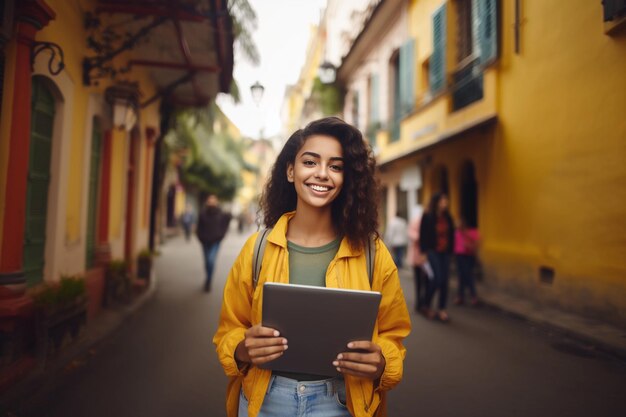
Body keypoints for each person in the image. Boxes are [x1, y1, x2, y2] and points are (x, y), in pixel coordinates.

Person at [213, 117, 411, 417]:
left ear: (347, 179)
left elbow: (393, 334)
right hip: (265, 400)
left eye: (336, 166)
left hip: (342, 402)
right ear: (291, 171)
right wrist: (242, 348)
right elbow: (229, 329)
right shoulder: (257, 249)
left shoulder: (372, 252)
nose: (322, 174)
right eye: (310, 162)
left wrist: (382, 361)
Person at [419, 192, 455, 323]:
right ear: (437, 202)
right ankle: (426, 305)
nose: (446, 203)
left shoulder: (448, 218)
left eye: (446, 201)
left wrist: (452, 252)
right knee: (436, 279)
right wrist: (423, 253)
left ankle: (442, 309)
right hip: (432, 251)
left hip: (445, 252)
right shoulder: (428, 216)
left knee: (445, 281)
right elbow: (422, 235)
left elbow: (452, 235)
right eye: (443, 201)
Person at [196, 194, 231, 292]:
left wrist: (222, 234)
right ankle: (208, 277)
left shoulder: (221, 213)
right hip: (205, 241)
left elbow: (227, 221)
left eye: (213, 200)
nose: (211, 202)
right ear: (207, 201)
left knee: (211, 260)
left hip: (215, 241)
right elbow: (199, 227)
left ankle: (209, 281)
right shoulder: (203, 213)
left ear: (216, 202)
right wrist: (200, 237)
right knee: (207, 262)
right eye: (210, 200)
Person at [454, 217, 480, 306]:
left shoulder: (472, 232)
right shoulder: (456, 233)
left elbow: (477, 242)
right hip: (459, 255)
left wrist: (466, 234)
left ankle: (473, 296)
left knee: (468, 276)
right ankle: (460, 296)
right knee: (461, 276)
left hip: (468, 255)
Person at [407, 206, 427, 313]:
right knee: (418, 280)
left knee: (426, 280)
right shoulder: (415, 222)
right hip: (416, 256)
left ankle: (423, 302)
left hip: (425, 256)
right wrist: (420, 237)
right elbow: (411, 234)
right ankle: (419, 302)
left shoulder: (426, 221)